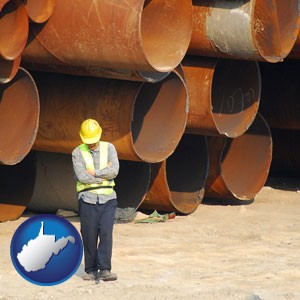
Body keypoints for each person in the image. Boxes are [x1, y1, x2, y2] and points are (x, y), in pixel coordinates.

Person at [72, 118, 119, 281]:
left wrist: (95, 173)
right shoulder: (77, 152)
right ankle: (91, 270)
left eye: (94, 142)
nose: (92, 145)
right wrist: (103, 173)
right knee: (89, 235)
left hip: (108, 199)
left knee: (106, 233)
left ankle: (105, 269)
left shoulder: (109, 148)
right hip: (87, 199)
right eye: (89, 142)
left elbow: (114, 171)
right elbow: (82, 176)